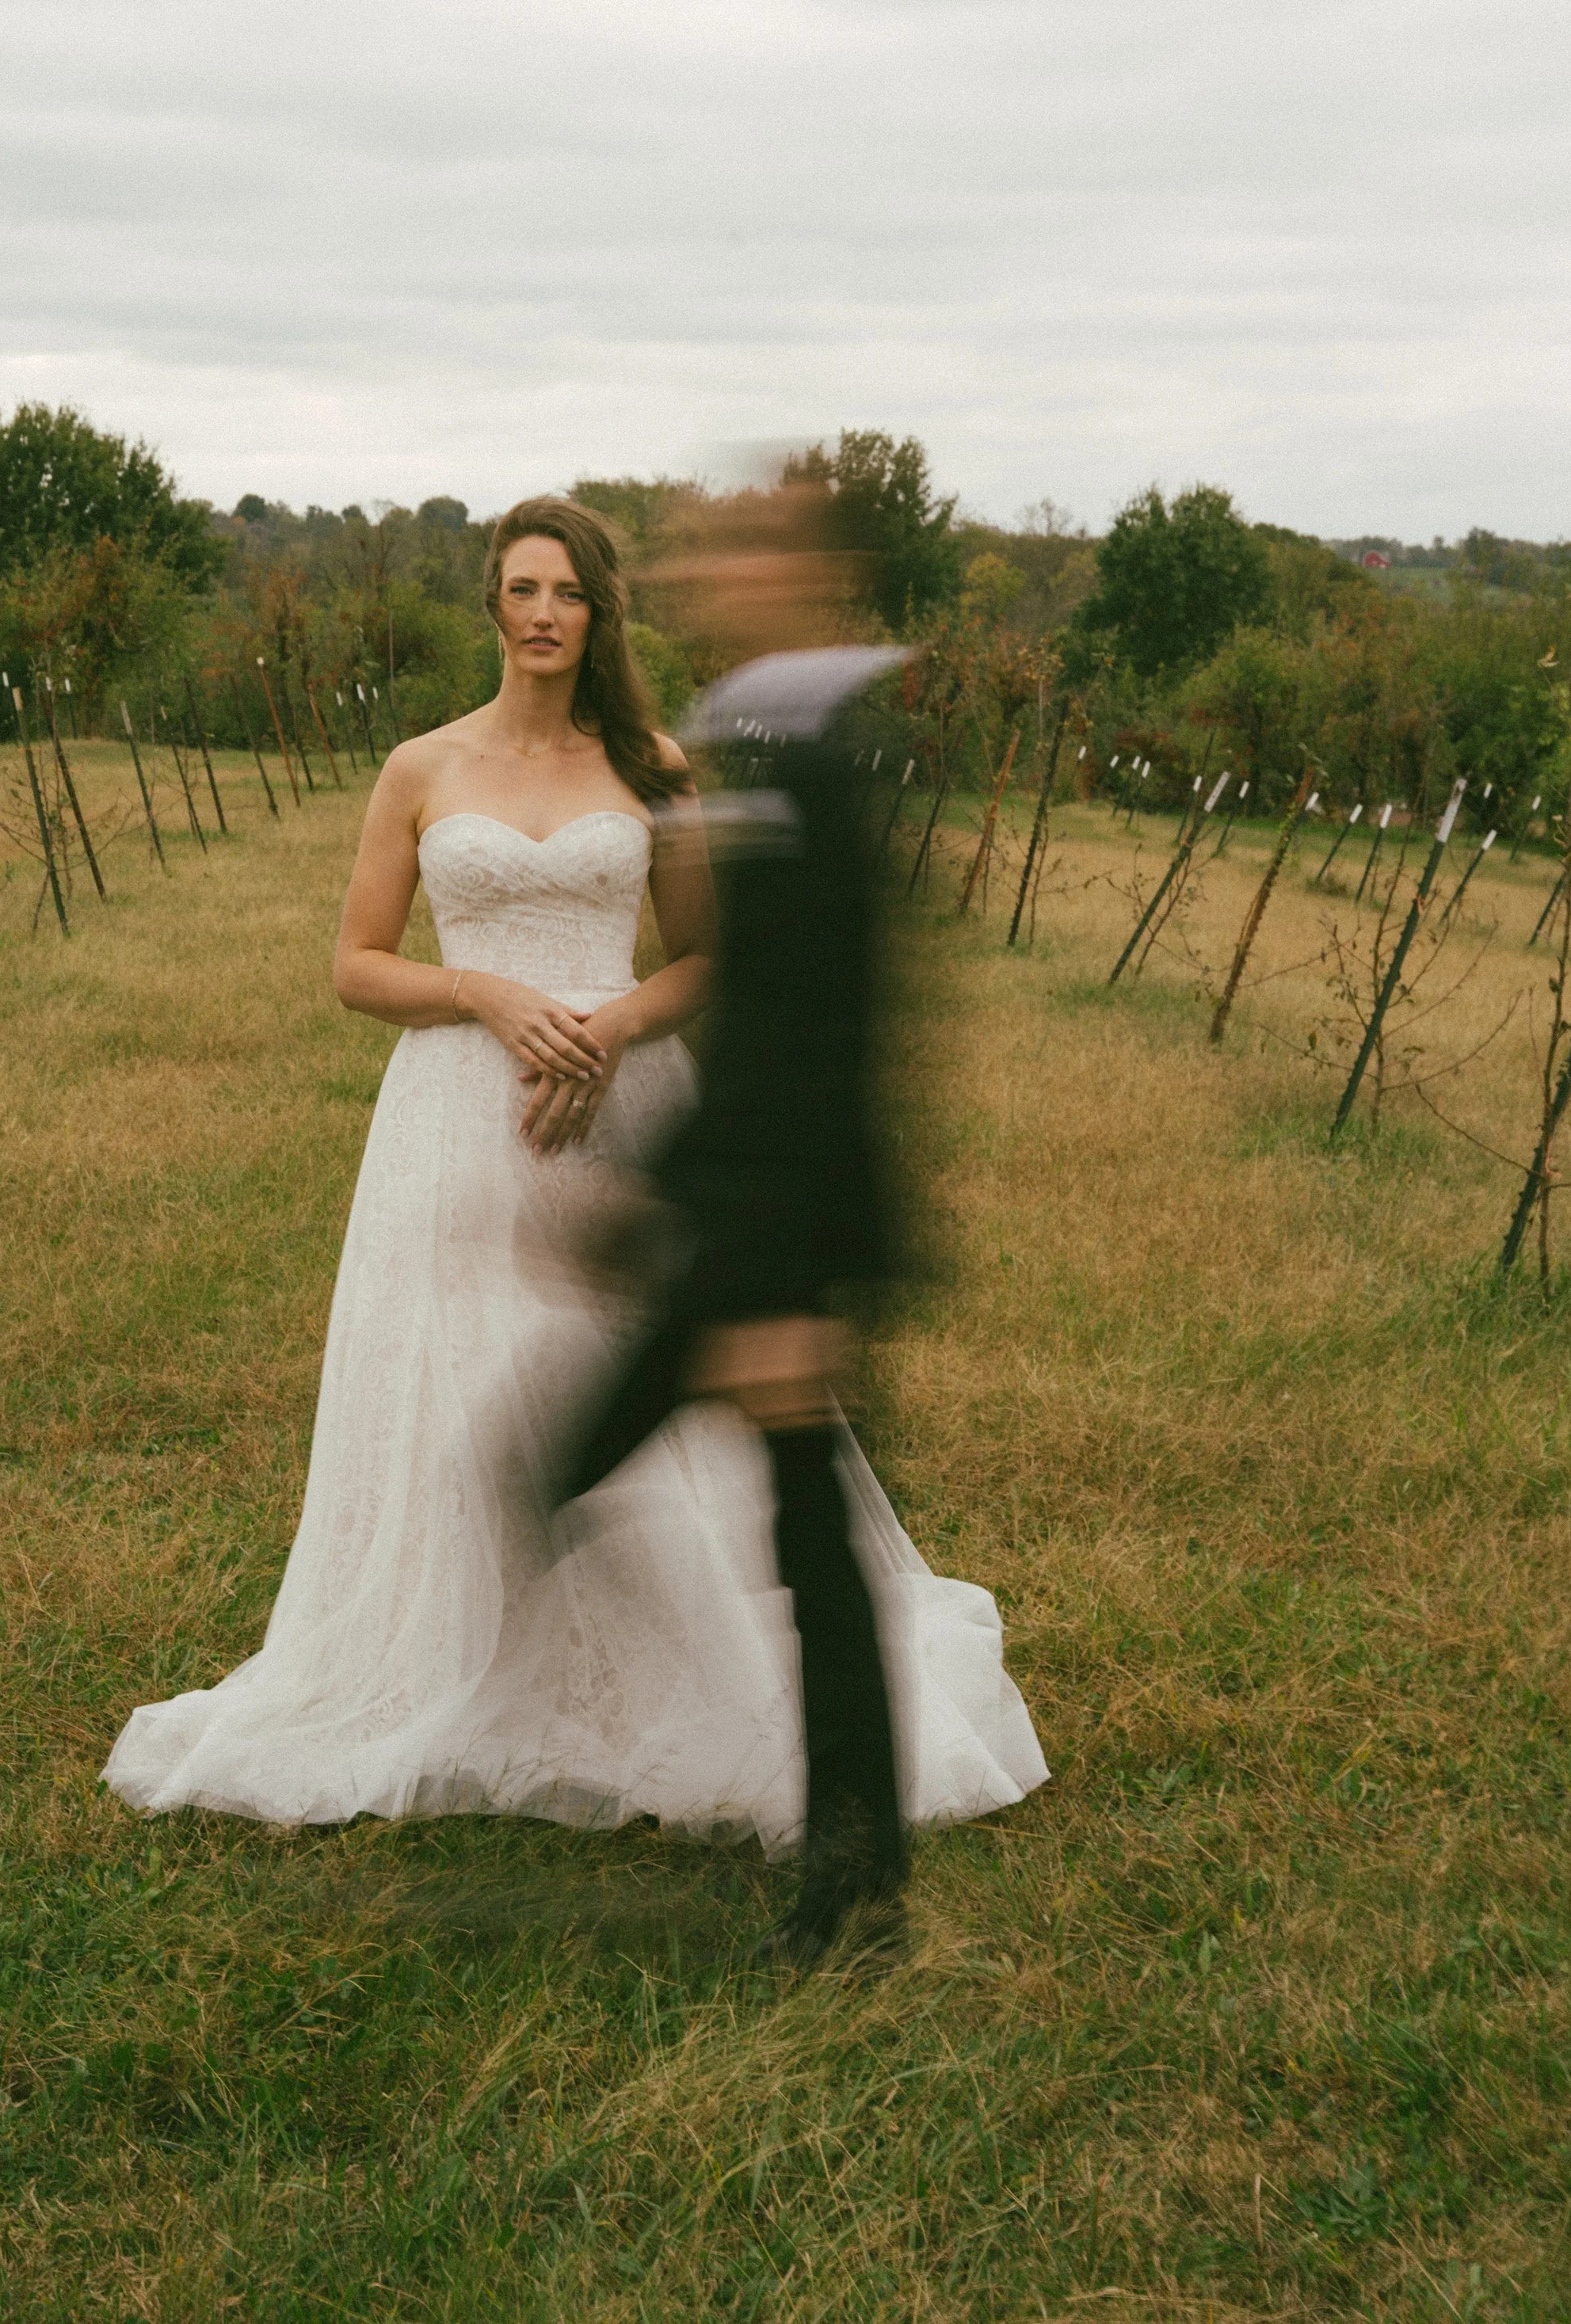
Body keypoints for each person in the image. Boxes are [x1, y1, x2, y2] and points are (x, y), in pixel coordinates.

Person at [104, 493, 1045, 1874]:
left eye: (570, 592)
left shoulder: (657, 765)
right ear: (492, 601)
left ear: (601, 613)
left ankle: (676, 1677)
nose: (543, 612)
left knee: (617, 1402)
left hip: (616, 1104)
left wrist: (606, 1026)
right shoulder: (420, 766)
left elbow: (709, 961)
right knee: (464, 1389)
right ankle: (459, 1661)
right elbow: (357, 962)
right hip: (453, 1112)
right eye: (522, 586)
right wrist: (483, 990)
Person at [551, 482, 1028, 1962]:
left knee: (776, 1538)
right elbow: (756, 1021)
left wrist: (800, 1288)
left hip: (783, 1239)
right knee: (590, 1476)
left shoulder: (820, 767)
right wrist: (650, 1202)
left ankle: (853, 1882)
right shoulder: (756, 738)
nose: (718, 566)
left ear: (816, 580)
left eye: (755, 547)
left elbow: (839, 1043)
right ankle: (826, 1851)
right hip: (733, 1215)